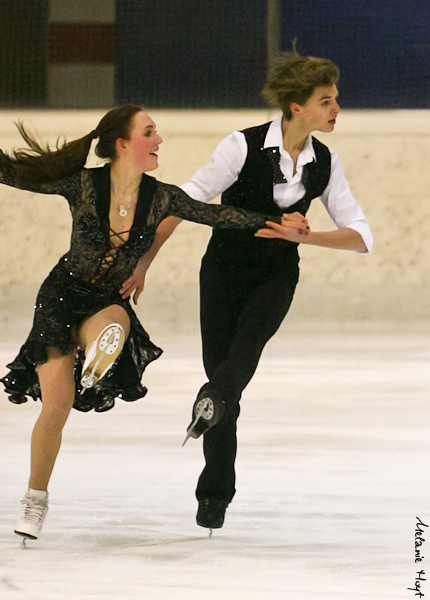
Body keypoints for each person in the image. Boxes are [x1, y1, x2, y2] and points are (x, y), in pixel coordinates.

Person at [0, 99, 308, 542]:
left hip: (106, 301)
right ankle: (35, 498)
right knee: (56, 407)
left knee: (114, 324)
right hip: (61, 297)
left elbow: (219, 215)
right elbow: (9, 173)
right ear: (123, 144)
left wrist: (278, 221)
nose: (159, 138)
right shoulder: (82, 185)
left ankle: (97, 360)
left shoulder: (162, 197)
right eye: (150, 132)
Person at [121, 49, 374, 532]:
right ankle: (215, 488)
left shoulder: (325, 163)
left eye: (335, 100)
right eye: (326, 101)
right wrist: (145, 258)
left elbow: (362, 236)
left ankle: (212, 425)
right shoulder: (242, 146)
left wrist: (307, 236)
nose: (336, 109)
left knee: (243, 354)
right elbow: (184, 200)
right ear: (296, 107)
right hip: (223, 271)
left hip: (277, 275)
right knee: (224, 374)